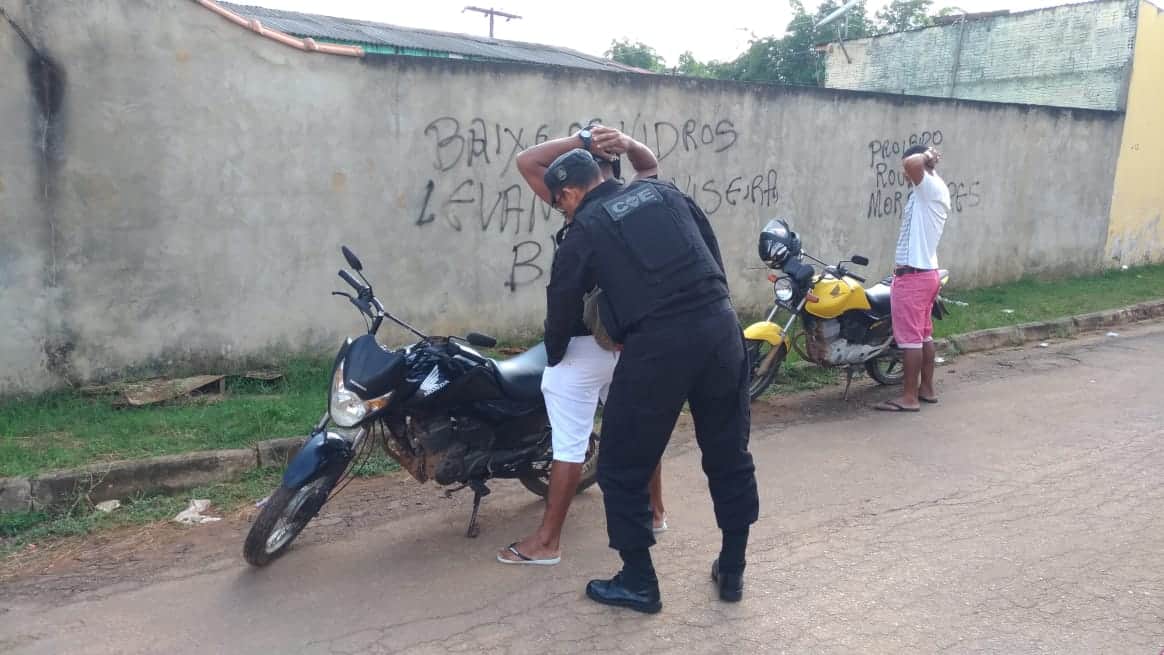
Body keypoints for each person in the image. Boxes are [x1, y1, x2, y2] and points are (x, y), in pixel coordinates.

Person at [540, 148, 759, 613]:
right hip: (720, 326)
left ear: (570, 192)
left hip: (659, 345)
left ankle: (639, 581)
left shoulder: (585, 228)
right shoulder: (662, 190)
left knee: (620, 465)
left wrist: (556, 353)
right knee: (728, 453)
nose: (562, 210)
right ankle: (733, 568)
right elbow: (709, 248)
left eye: (559, 203)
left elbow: (562, 297)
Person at [495, 124, 667, 567]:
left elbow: (525, 161)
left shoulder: (577, 207)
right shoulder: (636, 200)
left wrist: (581, 141)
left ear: (577, 180)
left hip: (583, 343)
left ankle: (548, 541)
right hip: (630, 343)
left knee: (569, 443)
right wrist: (622, 143)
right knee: (638, 431)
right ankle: (656, 512)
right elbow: (649, 166)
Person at [875, 144, 951, 413]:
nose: (904, 173)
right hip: (926, 273)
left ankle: (908, 397)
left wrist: (927, 157)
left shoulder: (928, 186)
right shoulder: (931, 189)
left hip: (914, 276)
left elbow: (912, 164)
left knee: (909, 339)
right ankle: (926, 388)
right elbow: (911, 165)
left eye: (905, 167)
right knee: (923, 336)